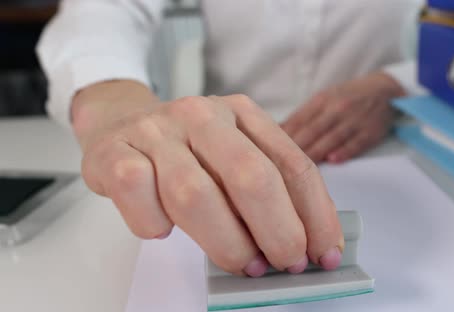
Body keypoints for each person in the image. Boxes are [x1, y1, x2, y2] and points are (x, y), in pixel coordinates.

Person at [37, 0, 425, 277]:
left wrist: (397, 84)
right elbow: (103, 10)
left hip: (399, 142)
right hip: (220, 155)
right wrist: (111, 105)